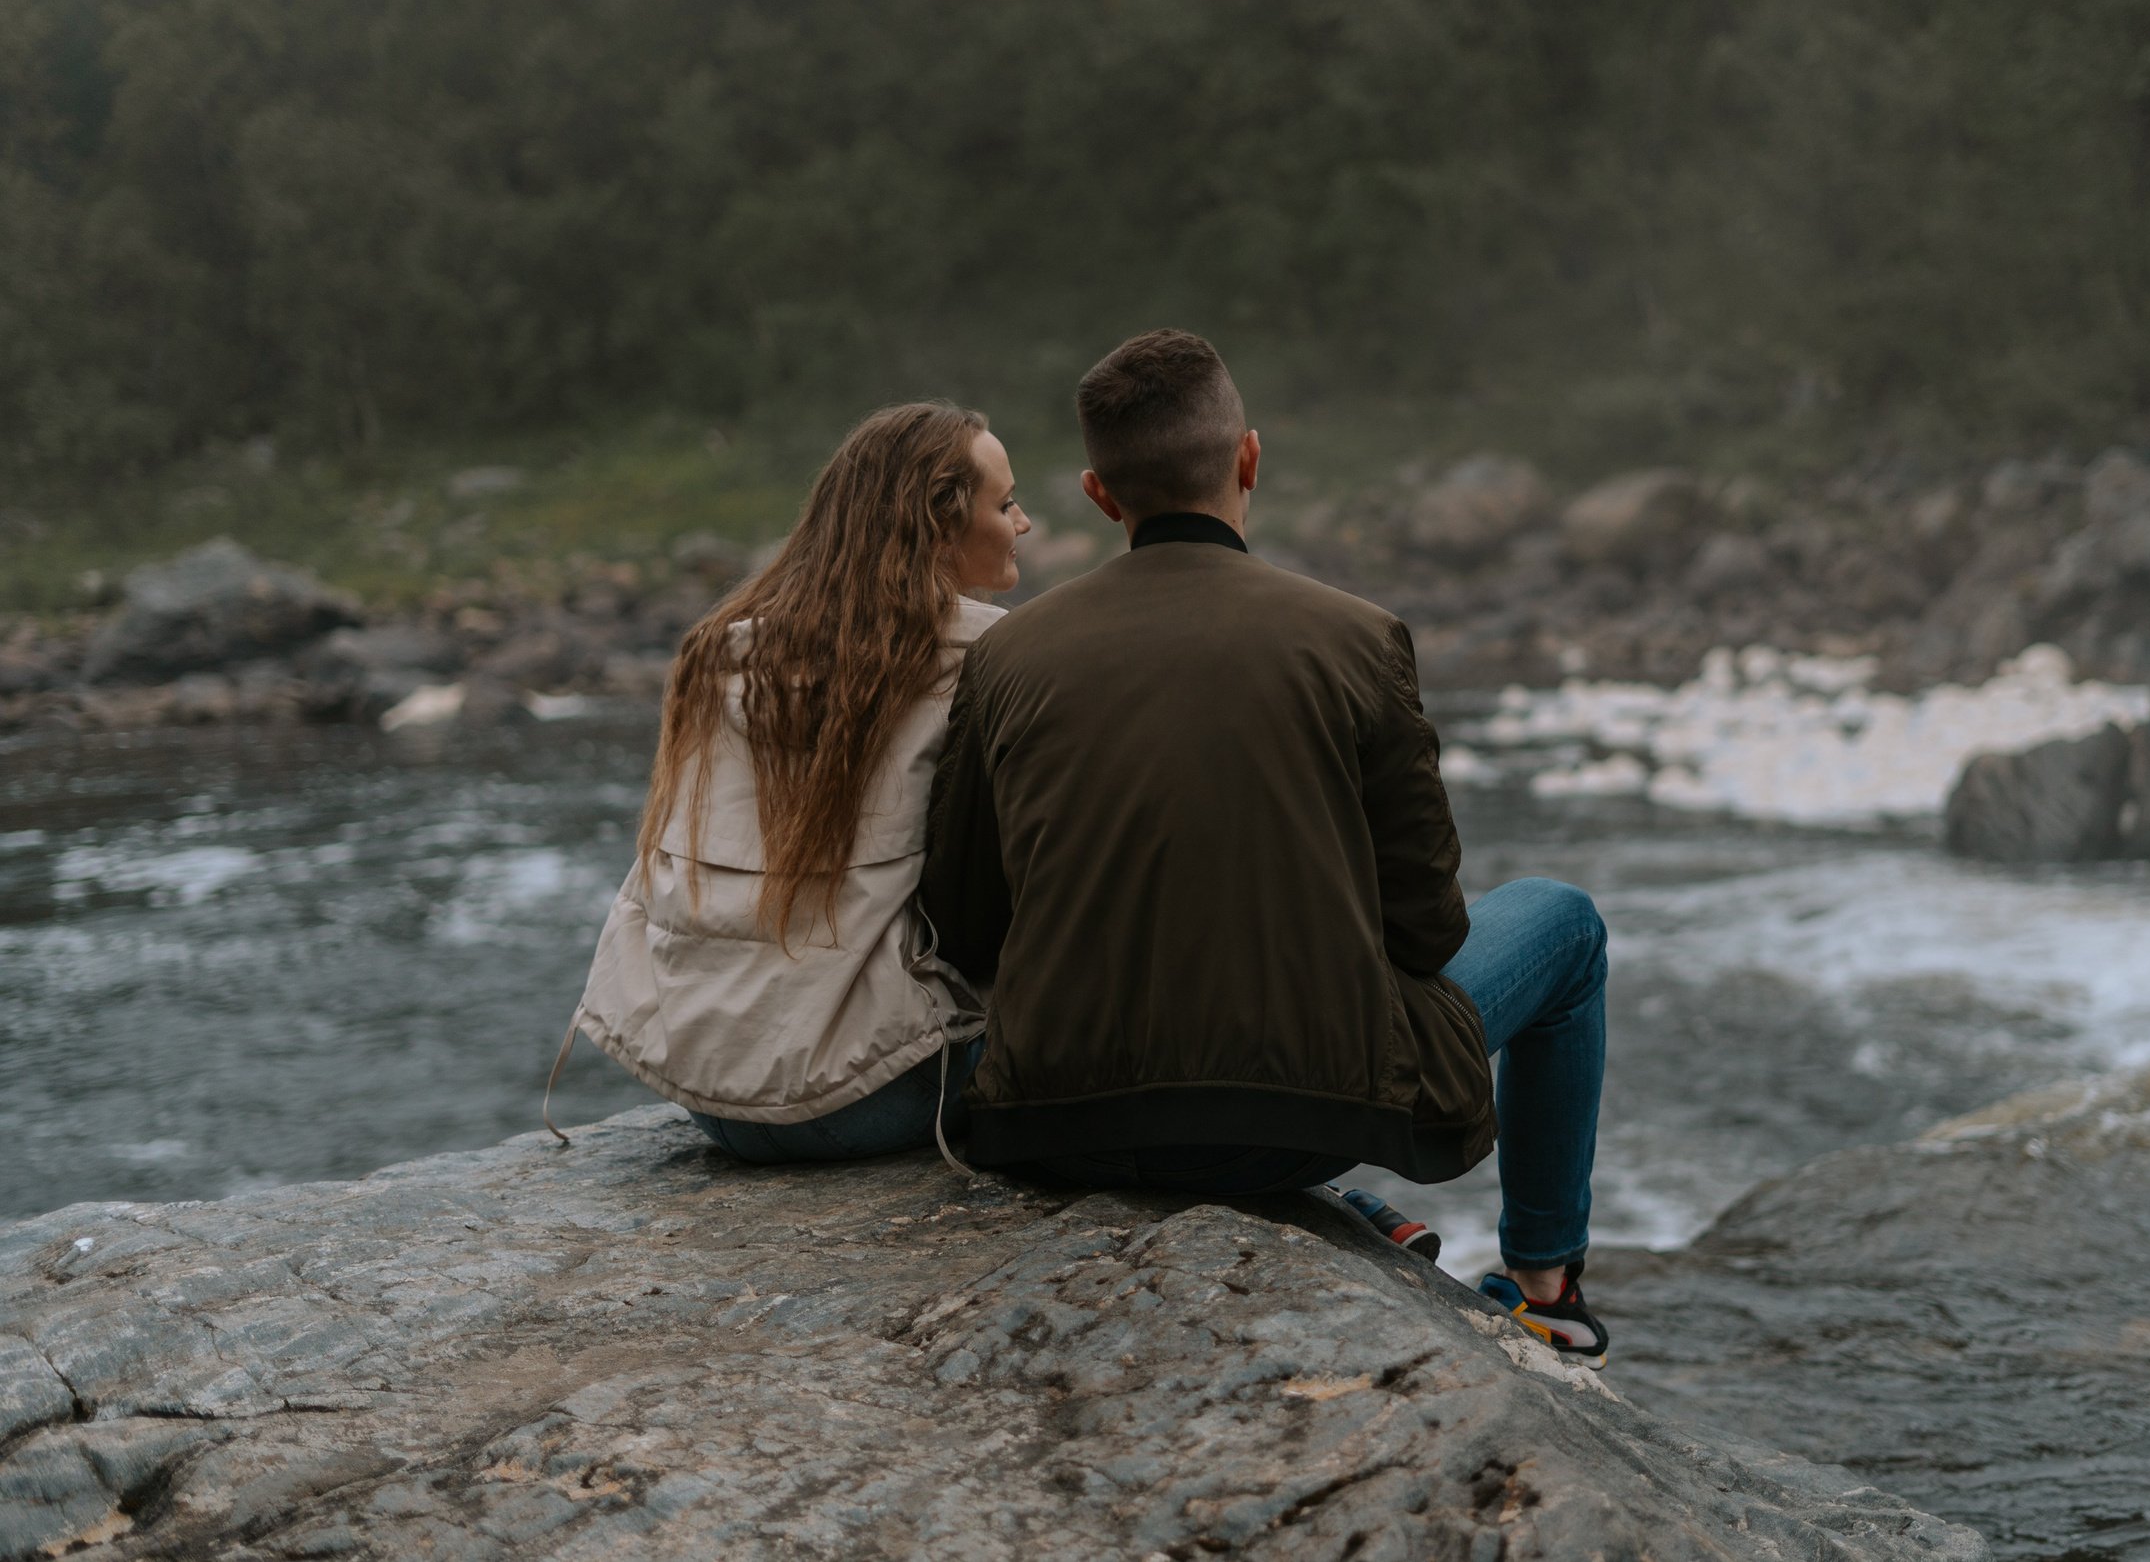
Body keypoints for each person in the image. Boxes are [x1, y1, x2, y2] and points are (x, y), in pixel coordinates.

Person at [920, 330, 1612, 1363]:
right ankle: (1545, 1284)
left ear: (1100, 495)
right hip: (1299, 1127)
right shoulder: (1357, 638)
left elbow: (962, 922)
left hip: (1058, 1129)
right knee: (1565, 921)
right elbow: (1429, 932)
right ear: (1248, 459)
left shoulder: (1008, 655)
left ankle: (1356, 1212)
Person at [555, 401, 1031, 1163]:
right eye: (1005, 504)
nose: (1024, 522)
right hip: (878, 1094)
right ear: (940, 528)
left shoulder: (721, 654)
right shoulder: (990, 659)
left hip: (709, 1098)